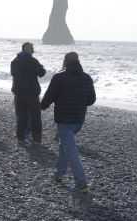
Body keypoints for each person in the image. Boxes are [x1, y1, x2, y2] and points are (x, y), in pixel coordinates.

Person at [41, 52, 96, 193]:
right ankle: (58, 174)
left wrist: (41, 106)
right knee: (64, 146)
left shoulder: (59, 77)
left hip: (64, 119)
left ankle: (81, 183)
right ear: (78, 61)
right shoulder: (86, 78)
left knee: (71, 151)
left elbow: (49, 96)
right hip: (79, 120)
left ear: (65, 62)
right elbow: (91, 100)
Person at [11, 42, 46, 145]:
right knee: (35, 116)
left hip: (19, 92)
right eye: (31, 48)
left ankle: (21, 137)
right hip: (32, 92)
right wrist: (40, 67)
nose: (32, 50)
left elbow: (13, 73)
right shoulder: (33, 61)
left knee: (21, 115)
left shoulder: (15, 61)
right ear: (30, 50)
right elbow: (42, 73)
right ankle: (36, 139)